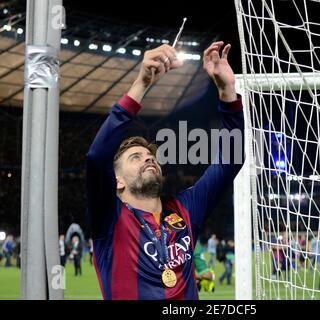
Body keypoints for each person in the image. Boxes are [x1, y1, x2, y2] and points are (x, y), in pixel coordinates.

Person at [86, 41, 244, 300]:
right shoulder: (109, 218)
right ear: (118, 182)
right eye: (136, 158)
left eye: (151, 157)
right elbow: (96, 157)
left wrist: (227, 92)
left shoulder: (185, 208)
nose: (148, 160)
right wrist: (142, 83)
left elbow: (230, 161)